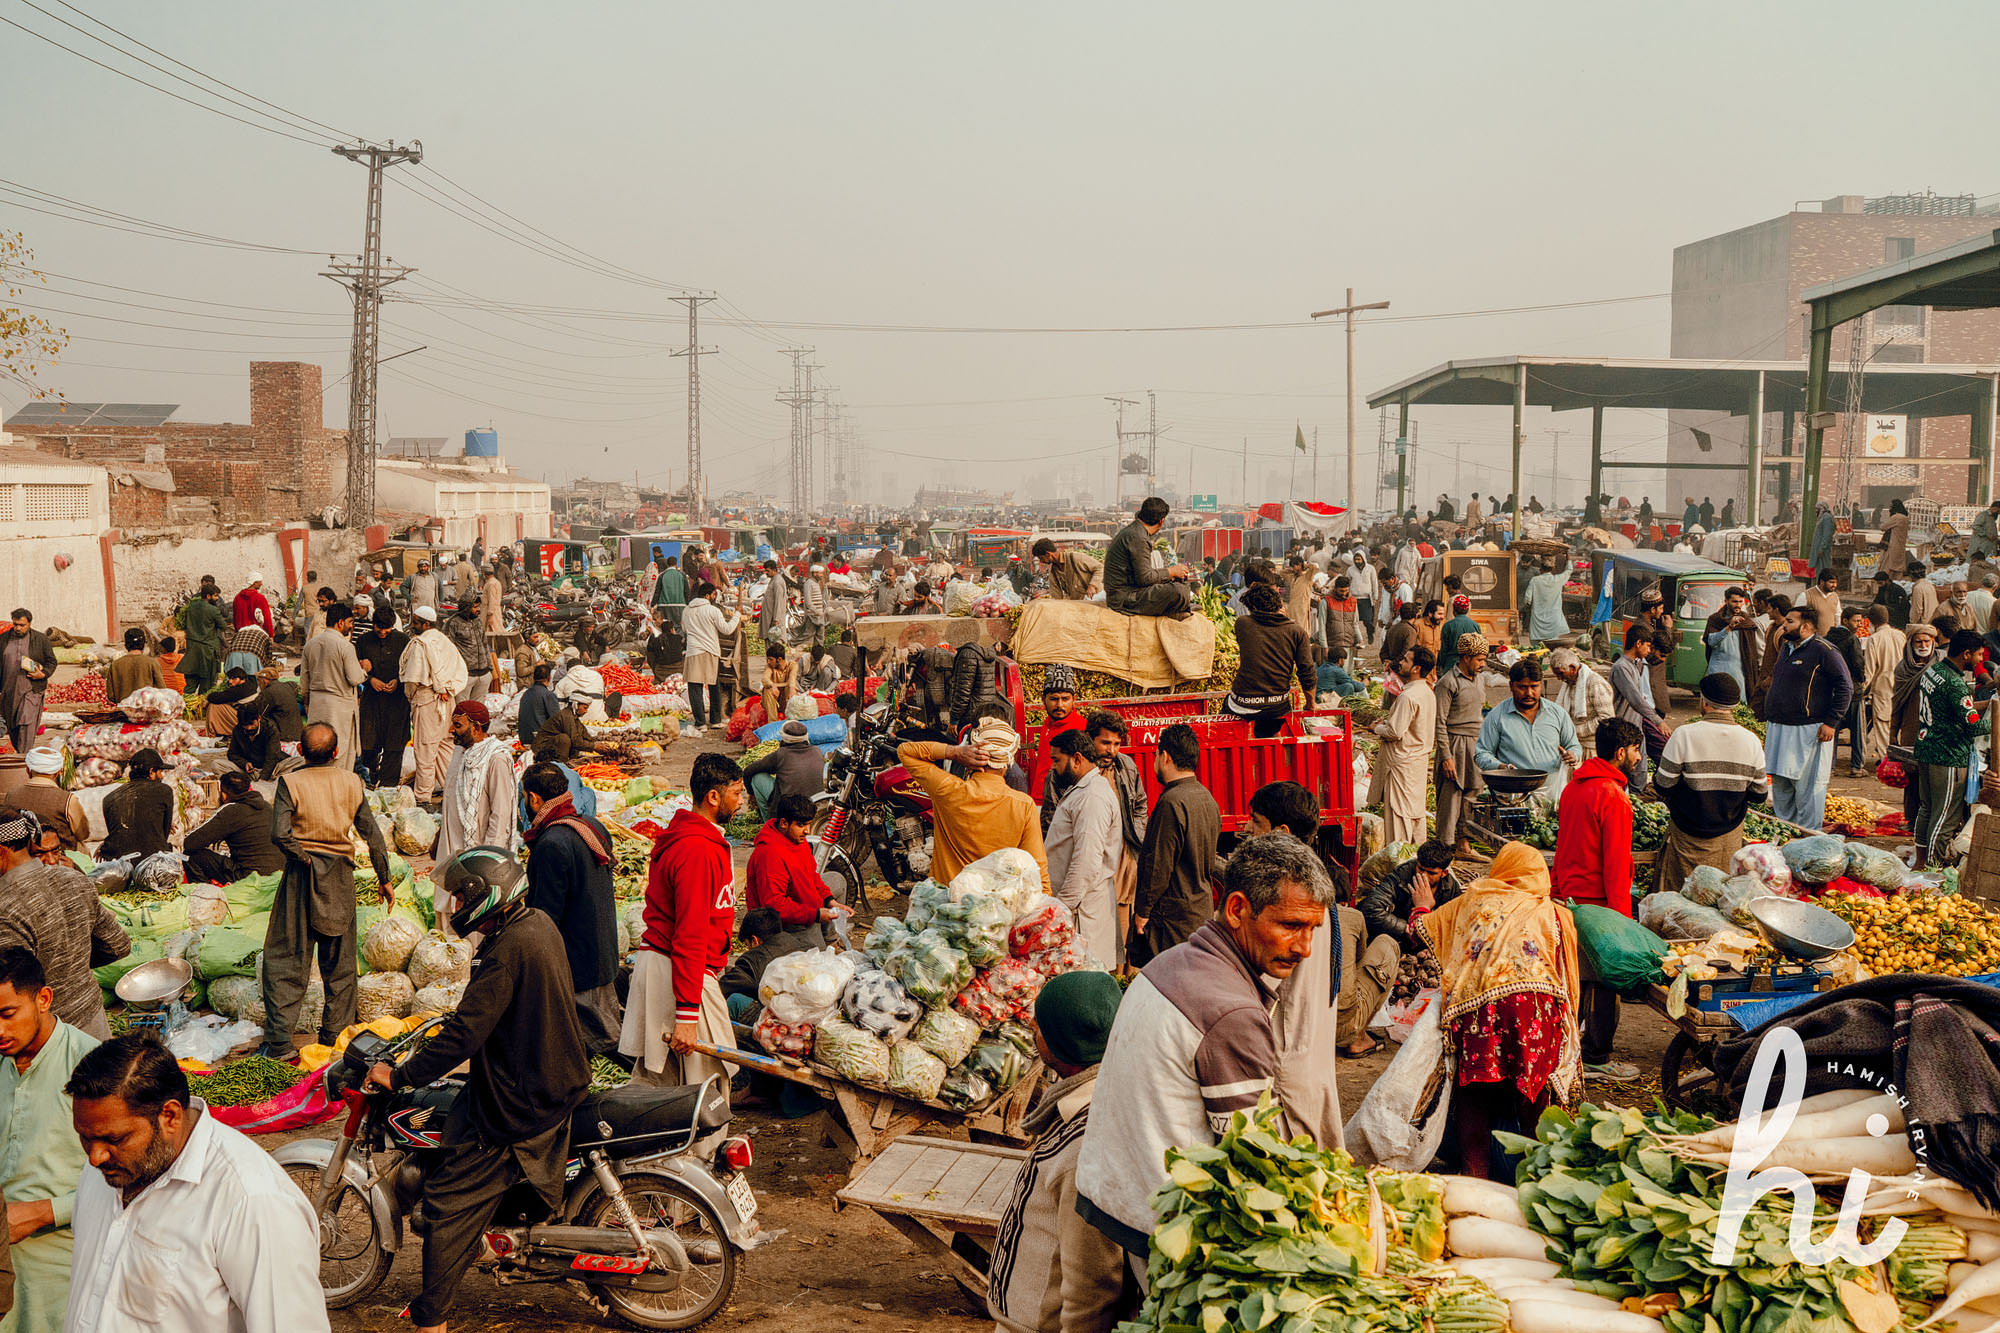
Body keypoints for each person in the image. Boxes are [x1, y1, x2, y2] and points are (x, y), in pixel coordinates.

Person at [363, 847, 588, 1333]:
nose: (458, 904)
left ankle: (432, 1321)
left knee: (445, 1200)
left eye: (463, 894)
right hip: (553, 1074)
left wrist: (399, 1076)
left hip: (523, 1100)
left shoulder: (505, 953)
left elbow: (465, 1035)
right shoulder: (537, 924)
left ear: (487, 896)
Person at [1076, 834, 1333, 1258]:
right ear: (1237, 909)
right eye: (1290, 926)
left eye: (1312, 930)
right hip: (1162, 1226)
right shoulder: (1231, 1014)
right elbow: (1254, 1161)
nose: (1304, 948)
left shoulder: (1169, 962)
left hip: (1109, 1194)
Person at [65, 1033, 329, 1332]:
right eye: (85, 1138)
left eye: (114, 1139)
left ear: (170, 1116)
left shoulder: (252, 1201)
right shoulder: (108, 1168)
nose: (95, 1157)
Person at [1415, 842, 1581, 1179]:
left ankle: (1476, 1174)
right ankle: (1540, 1174)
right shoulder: (1554, 912)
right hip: (1536, 1010)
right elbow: (1568, 976)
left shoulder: (1475, 897)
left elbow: (1421, 932)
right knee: (1535, 1093)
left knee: (1475, 1093)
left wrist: (1422, 907)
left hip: (1480, 1011)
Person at [987, 969, 1132, 1333]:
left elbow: (1093, 1286)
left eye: (1039, 1026)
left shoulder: (1084, 1149)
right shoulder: (1096, 1106)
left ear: (1059, 1042)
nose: (1033, 1031)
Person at [259, 723, 392, 1061]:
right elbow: (373, 837)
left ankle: (280, 1045)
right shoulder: (352, 782)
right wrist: (384, 878)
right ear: (335, 753)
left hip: (300, 878)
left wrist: (303, 857)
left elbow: (279, 834)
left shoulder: (290, 782)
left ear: (300, 752)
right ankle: (335, 1038)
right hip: (339, 877)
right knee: (341, 965)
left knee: (286, 960)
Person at [622, 753, 742, 1091]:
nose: (742, 802)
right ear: (713, 796)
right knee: (706, 1081)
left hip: (674, 966)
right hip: (677, 969)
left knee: (664, 1081)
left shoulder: (699, 840)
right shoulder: (696, 850)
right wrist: (687, 1016)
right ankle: (702, 1147)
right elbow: (690, 932)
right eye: (737, 793)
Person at [0, 946, 91, 1333]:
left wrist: (45, 1212)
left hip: (63, 1261)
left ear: (43, 999)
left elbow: (136, 1182)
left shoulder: (90, 1066)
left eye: (7, 1015)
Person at [1552, 717, 1644, 1082]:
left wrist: (1557, 893)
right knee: (1606, 983)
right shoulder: (1613, 797)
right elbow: (1617, 864)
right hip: (1601, 905)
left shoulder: (1573, 790)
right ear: (1620, 752)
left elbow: (1561, 849)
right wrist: (1621, 919)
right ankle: (1597, 1056)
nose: (1638, 758)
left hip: (1569, 901)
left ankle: (1568, 1050)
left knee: (1574, 980)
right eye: (1636, 750)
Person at [519, 764, 621, 1054]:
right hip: (601, 953)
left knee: (603, 1045)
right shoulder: (592, 826)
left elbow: (544, 917)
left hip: (577, 965)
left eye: (525, 797)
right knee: (604, 1035)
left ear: (534, 799)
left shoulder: (551, 843)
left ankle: (644, 1093)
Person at [0, 812, 126, 1040]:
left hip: (44, 1038)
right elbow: (117, 945)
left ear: (1, 852)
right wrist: (72, 963)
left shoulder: (5, 907)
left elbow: (13, 993)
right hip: (92, 1024)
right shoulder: (75, 880)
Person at [898, 718, 1052, 891]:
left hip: (946, 908)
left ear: (973, 751)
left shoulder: (948, 790)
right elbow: (1038, 869)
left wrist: (954, 752)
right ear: (1008, 761)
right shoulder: (1023, 805)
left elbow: (905, 751)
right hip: (997, 910)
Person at [1652, 673, 1770, 895]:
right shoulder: (1751, 741)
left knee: (1680, 896)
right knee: (1717, 898)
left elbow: (1663, 785)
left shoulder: (1683, 735)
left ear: (1703, 702)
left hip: (1686, 836)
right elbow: (1759, 795)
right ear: (1734, 706)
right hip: (1728, 838)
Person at [1132, 723, 1222, 965]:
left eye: (1155, 756)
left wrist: (1143, 911)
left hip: (1172, 918)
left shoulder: (1171, 802)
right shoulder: (1206, 797)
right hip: (1199, 909)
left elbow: (1158, 865)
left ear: (1165, 757)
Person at [1763, 602, 1854, 831]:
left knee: (1807, 787)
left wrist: (1831, 722)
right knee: (1782, 784)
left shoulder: (1824, 650)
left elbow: (1846, 687)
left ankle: (1808, 837)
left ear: (1805, 627)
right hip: (1779, 727)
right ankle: (1787, 832)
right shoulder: (1786, 647)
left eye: (1789, 622)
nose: (1784, 625)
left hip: (1809, 730)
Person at [1044, 729, 1122, 963]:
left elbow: (1086, 861)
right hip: (1078, 912)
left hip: (1082, 915)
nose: (1054, 768)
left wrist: (1060, 909)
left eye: (1057, 760)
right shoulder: (1084, 790)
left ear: (1077, 759)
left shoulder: (1092, 797)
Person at [1914, 629, 1987, 870]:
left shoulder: (1934, 671)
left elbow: (1955, 707)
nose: (1980, 660)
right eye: (1978, 655)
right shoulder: (1956, 684)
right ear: (1966, 654)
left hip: (1926, 747)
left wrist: (1988, 703)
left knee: (1927, 809)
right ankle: (1932, 868)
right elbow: (1973, 727)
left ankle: (1921, 861)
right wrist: (1996, 717)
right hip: (1948, 757)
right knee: (1945, 815)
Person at [745, 792, 843, 949]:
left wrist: (829, 900)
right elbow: (775, 907)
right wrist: (815, 914)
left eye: (809, 824)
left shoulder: (797, 839)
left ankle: (829, 938)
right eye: (801, 825)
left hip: (803, 904)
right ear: (784, 823)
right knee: (819, 959)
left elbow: (812, 875)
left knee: (837, 880)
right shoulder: (770, 854)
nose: (808, 831)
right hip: (783, 922)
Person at [1476, 657, 1582, 801]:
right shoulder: (1497, 717)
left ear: (1540, 686)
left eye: (1534, 687)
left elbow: (1574, 745)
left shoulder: (1557, 713)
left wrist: (1573, 754)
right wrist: (1501, 767)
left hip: (1553, 794)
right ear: (1511, 686)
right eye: (1522, 687)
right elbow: (1482, 753)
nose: (1529, 693)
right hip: (1513, 796)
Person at [1224, 583, 1313, 739]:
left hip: (1242, 703)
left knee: (1228, 707)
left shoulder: (1242, 624)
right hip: (1276, 706)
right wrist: (1311, 703)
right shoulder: (1297, 632)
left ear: (1253, 609)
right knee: (1266, 731)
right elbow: (1307, 671)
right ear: (1280, 606)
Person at [401, 606, 469, 805]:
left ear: (426, 624)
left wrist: (411, 697)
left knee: (425, 753)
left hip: (427, 702)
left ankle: (423, 799)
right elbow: (459, 669)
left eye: (415, 622)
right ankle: (455, 792)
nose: (412, 625)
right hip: (446, 702)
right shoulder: (444, 641)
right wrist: (447, 691)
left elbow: (412, 680)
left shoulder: (420, 645)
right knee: (444, 748)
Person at [437, 701, 516, 866]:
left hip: (477, 853)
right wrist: (439, 838)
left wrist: (487, 859)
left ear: (476, 728)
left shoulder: (497, 759)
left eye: (457, 725)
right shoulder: (459, 752)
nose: (451, 730)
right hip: (451, 847)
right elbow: (451, 799)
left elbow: (500, 815)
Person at [1372, 643, 1437, 846]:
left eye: (1406, 660)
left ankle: (1400, 869)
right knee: (1416, 817)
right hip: (1416, 764)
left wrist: (1376, 728)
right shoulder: (1427, 692)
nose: (1401, 663)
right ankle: (1418, 865)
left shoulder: (1408, 696)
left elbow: (1394, 732)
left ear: (1416, 668)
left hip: (1402, 766)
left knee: (1399, 823)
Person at [1432, 632, 1489, 855]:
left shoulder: (1481, 679)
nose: (1483, 664)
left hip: (1476, 744)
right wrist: (1446, 756)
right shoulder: (1448, 683)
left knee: (1472, 795)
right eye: (1479, 659)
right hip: (1454, 743)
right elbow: (1439, 722)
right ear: (1466, 657)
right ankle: (1444, 848)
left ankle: (1464, 844)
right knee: (1451, 797)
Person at [182, 770, 284, 885]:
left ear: (224, 794)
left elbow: (191, 842)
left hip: (249, 876)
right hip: (278, 873)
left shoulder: (230, 810)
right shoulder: (267, 806)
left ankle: (204, 893)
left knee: (189, 855)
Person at [299, 599, 364, 773]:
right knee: (339, 753)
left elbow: (304, 682)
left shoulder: (310, 645)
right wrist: (365, 669)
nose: (351, 627)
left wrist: (307, 703)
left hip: (317, 705)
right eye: (350, 622)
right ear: (340, 622)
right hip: (340, 707)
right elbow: (355, 678)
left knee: (316, 750)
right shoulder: (345, 646)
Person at [1103, 496, 1192, 618]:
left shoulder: (1135, 531)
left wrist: (1170, 576)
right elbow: (1144, 578)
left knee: (1180, 585)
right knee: (1179, 592)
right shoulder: (1138, 537)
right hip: (1123, 597)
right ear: (1161, 521)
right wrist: (1172, 571)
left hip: (1127, 590)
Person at [1608, 622, 1668, 787]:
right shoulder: (1621, 667)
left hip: (1636, 727)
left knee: (1640, 771)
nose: (1649, 651)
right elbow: (1635, 699)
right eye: (1648, 646)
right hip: (1623, 729)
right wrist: (1658, 721)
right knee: (1623, 774)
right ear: (1638, 643)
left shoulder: (1637, 665)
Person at [682, 582, 743, 736]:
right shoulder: (712, 610)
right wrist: (737, 615)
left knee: (694, 688)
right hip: (710, 651)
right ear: (708, 595)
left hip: (693, 651)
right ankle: (715, 720)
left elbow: (684, 629)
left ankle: (700, 723)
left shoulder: (686, 610)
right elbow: (727, 629)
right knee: (714, 684)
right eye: (714, 595)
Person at [97, 749, 174, 861]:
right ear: (151, 772)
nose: (161, 776)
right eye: (160, 772)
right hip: (152, 863)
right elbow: (164, 833)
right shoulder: (164, 791)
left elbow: (117, 832)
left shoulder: (110, 798)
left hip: (120, 864)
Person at [742, 719, 826, 815]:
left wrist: (751, 793)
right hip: (816, 807)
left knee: (757, 778)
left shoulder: (781, 754)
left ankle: (769, 822)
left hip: (789, 810)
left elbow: (749, 770)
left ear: (784, 738)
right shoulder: (817, 751)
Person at [11, 749, 84, 855]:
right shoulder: (67, 799)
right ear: (58, 773)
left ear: (28, 770)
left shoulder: (11, 795)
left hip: (23, 859)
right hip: (60, 859)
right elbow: (82, 834)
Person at [0, 610, 53, 756]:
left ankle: (24, 760)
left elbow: (51, 662)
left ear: (29, 623)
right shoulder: (3, 639)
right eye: (15, 624)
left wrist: (42, 674)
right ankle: (21, 754)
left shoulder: (40, 639)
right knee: (13, 728)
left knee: (26, 723)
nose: (18, 628)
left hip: (31, 690)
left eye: (22, 625)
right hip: (9, 691)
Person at [1861, 604, 1907, 767]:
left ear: (1872, 621)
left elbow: (1869, 669)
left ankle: (1887, 761)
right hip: (1902, 685)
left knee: (1882, 724)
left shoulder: (1874, 639)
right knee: (1897, 724)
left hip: (1883, 686)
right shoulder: (1900, 635)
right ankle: (1897, 757)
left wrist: (1861, 688)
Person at [1546, 646, 1614, 752]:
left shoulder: (1595, 683)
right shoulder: (1570, 683)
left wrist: (1576, 730)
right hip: (1574, 745)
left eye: (1561, 674)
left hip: (1592, 747)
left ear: (1573, 668)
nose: (1559, 679)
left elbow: (1607, 719)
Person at [1702, 586, 1758, 698]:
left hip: (1740, 671)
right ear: (1726, 601)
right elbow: (1711, 642)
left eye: (1740, 602)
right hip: (1719, 668)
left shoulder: (1747, 621)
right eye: (1734, 601)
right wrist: (1729, 627)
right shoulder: (1716, 619)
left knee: (1738, 704)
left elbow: (1753, 649)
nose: (1738, 605)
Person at [532, 692, 613, 765]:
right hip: (542, 749)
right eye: (585, 708)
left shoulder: (574, 718)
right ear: (576, 705)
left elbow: (584, 734)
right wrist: (594, 746)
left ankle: (570, 762)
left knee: (575, 739)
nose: (586, 711)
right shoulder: (566, 716)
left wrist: (598, 744)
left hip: (551, 746)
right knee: (565, 739)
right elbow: (576, 741)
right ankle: (562, 766)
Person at [177, 586, 227, 696]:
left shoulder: (190, 607)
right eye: (215, 596)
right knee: (206, 687)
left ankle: (186, 707)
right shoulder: (213, 610)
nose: (217, 598)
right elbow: (223, 625)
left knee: (190, 685)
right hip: (207, 652)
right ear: (208, 596)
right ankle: (202, 710)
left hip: (192, 651)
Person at [444, 601, 492, 703]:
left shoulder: (478, 621)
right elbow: (447, 650)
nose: (478, 609)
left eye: (478, 606)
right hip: (465, 676)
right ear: (466, 608)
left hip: (483, 674)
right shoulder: (453, 623)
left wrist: (490, 668)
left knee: (477, 711)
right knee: (462, 710)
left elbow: (484, 644)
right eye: (475, 607)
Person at [101, 629, 162, 704]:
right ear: (143, 645)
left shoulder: (115, 665)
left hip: (123, 712)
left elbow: (111, 695)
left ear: (126, 646)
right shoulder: (152, 663)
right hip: (147, 712)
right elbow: (161, 690)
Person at [1522, 559, 1572, 646]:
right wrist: (1568, 559)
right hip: (1554, 620)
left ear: (1540, 569)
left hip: (1537, 620)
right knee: (1553, 647)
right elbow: (1569, 571)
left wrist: (1528, 607)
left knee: (1535, 650)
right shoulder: (1558, 579)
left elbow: (1527, 599)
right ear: (1553, 569)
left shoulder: (1535, 580)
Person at [1436, 594, 1478, 676]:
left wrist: (1440, 665)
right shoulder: (1475, 625)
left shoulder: (1448, 626)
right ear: (1467, 610)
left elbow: (1444, 649)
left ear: (1454, 610)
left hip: (1451, 664)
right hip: (1469, 664)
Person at [759, 643, 796, 723]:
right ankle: (772, 723)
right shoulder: (769, 667)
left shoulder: (792, 665)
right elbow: (765, 678)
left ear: (779, 659)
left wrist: (792, 688)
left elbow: (792, 679)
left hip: (785, 699)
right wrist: (772, 685)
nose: (768, 662)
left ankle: (791, 721)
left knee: (791, 689)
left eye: (771, 659)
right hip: (773, 700)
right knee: (767, 689)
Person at [649, 553, 688, 629]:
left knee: (665, 627)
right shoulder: (682, 575)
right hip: (679, 606)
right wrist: (688, 604)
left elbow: (657, 591)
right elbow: (686, 591)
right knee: (678, 627)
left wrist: (652, 605)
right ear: (676, 564)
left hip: (664, 606)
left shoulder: (662, 576)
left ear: (667, 564)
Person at [1878, 499, 1911, 578]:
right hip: (1901, 546)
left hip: (1892, 546)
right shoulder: (1905, 518)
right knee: (1898, 570)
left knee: (1888, 568)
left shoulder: (1896, 517)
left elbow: (1883, 527)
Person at [1807, 501, 1835, 575]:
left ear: (1822, 508)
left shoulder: (1826, 518)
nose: (1816, 511)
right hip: (1819, 549)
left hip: (1823, 551)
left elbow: (1826, 534)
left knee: (1823, 570)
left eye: (1817, 509)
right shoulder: (1822, 517)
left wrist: (1821, 548)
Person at [1910, 563, 1942, 628]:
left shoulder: (1918, 588)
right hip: (1933, 621)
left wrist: (1912, 624)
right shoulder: (1930, 585)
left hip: (1924, 625)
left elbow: (1917, 610)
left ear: (1911, 575)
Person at [1974, 498, 2000, 562]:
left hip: (1991, 545)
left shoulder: (1992, 517)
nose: (1999, 513)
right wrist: (1987, 534)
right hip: (1983, 545)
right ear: (1994, 508)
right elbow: (1975, 526)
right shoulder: (1983, 515)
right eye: (1998, 511)